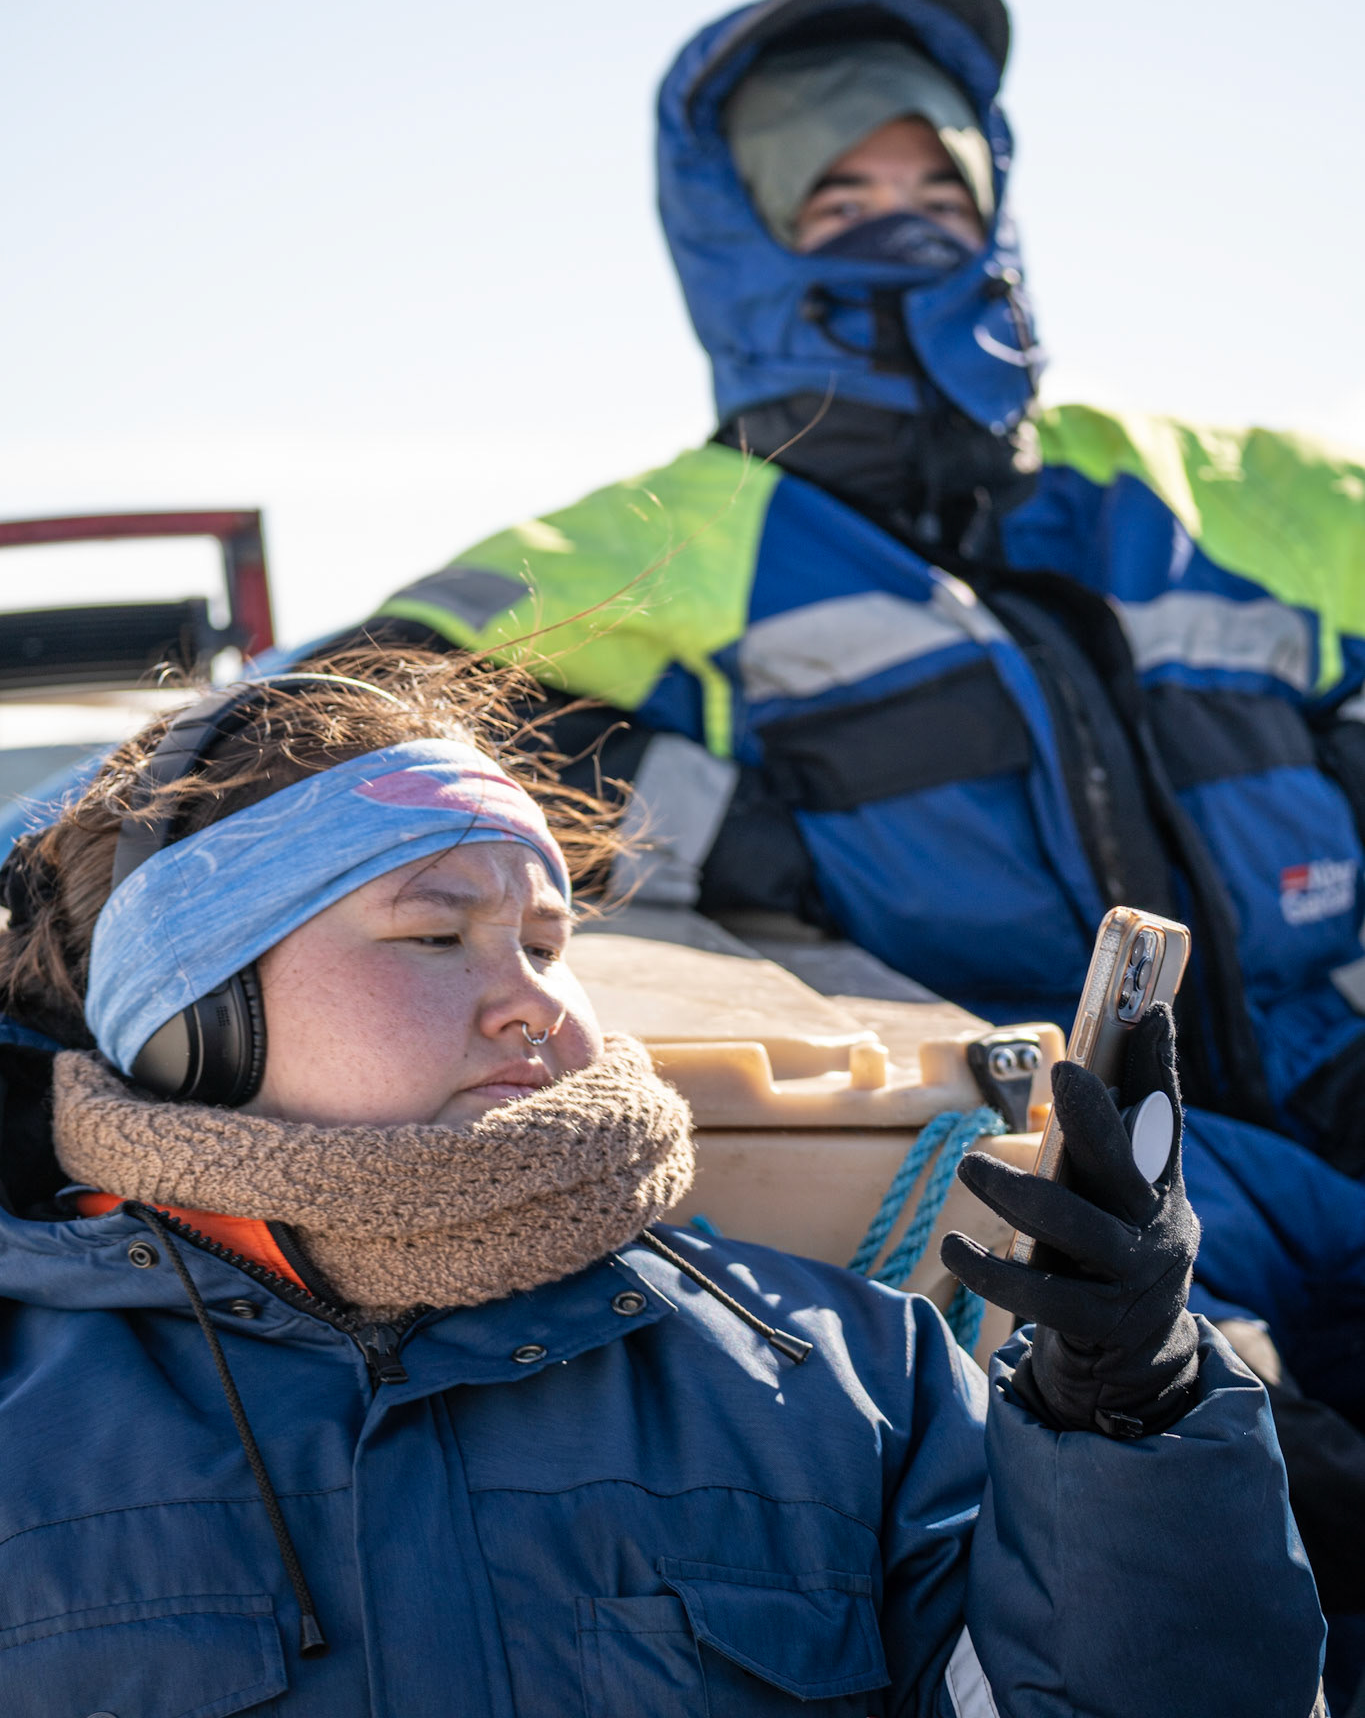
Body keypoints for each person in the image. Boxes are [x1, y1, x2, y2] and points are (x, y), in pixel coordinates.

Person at [349, 0, 1365, 1689]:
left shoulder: (1236, 492)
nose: (900, 222)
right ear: (736, 242)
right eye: (837, 189)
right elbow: (293, 776)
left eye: (935, 180)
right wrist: (727, 837)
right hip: (1066, 1211)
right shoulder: (647, 548)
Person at [0, 655, 1326, 1713]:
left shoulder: (854, 1371)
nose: (530, 1000)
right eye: (433, 934)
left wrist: (1130, 1427)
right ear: (193, 1020)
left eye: (544, 939)